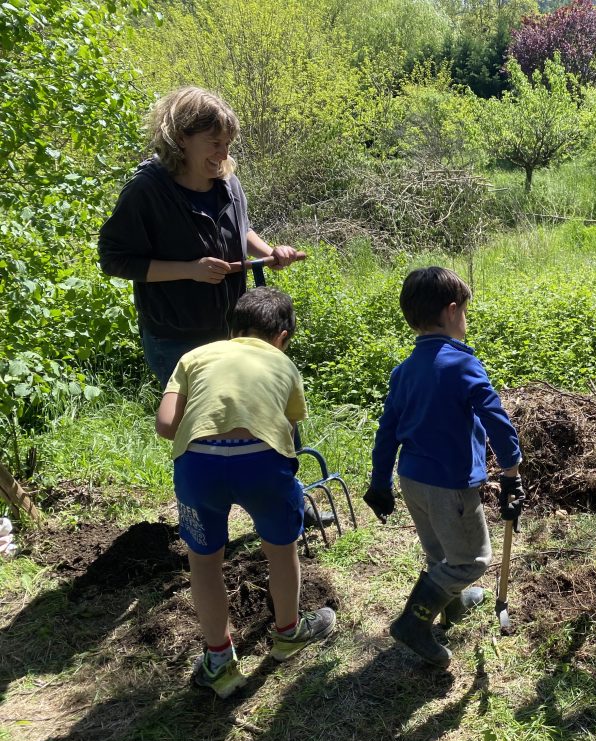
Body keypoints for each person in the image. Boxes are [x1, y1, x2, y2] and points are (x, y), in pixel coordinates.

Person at [155, 287, 335, 698]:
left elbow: (166, 425)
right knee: (281, 549)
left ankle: (219, 660)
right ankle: (288, 634)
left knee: (203, 563)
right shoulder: (283, 362)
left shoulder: (193, 357)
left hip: (199, 466)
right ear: (283, 337)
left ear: (231, 330)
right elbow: (290, 428)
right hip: (264, 465)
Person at [363, 267, 525, 668]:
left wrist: (379, 483)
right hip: (449, 485)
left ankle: (450, 606)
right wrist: (512, 470)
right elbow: (496, 418)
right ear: (452, 312)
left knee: (440, 552)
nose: (465, 319)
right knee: (471, 560)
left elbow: (387, 431)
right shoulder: (462, 365)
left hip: (411, 480)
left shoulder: (402, 372)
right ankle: (414, 623)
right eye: (465, 312)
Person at [99, 86, 305, 388]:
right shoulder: (147, 191)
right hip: (177, 339)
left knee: (233, 427)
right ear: (181, 138)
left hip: (232, 331)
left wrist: (269, 252)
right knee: (198, 431)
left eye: (228, 144)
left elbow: (241, 228)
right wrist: (190, 270)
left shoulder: (227, 182)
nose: (224, 154)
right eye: (215, 143)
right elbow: (114, 260)